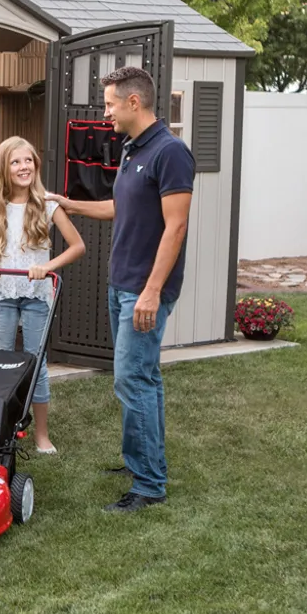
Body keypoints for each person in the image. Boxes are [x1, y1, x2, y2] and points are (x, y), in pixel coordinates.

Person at [46, 66, 193, 512]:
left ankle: (149, 485)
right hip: (121, 284)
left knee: (132, 380)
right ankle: (142, 462)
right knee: (142, 378)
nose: (105, 111)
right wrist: (71, 204)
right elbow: (120, 205)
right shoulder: (132, 150)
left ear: (134, 102)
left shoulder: (171, 153)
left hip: (143, 290)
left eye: (110, 103)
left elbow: (176, 227)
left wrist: (151, 291)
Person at [0, 136, 85, 455]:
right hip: (4, 290)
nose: (23, 167)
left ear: (35, 164)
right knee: (0, 362)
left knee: (36, 362)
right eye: (15, 162)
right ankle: (0, 429)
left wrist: (46, 266)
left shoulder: (48, 203)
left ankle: (42, 435)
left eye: (28, 161)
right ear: (3, 169)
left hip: (36, 293)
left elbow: (78, 246)